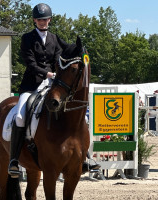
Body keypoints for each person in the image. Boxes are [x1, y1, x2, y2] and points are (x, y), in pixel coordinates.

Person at [8, 3, 100, 177]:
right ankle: (14, 160)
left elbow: (61, 58)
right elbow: (30, 62)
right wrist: (47, 73)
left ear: (49, 20)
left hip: (54, 85)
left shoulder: (55, 38)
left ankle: (85, 157)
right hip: (32, 85)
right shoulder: (27, 38)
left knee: (78, 115)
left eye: (45, 19)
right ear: (35, 20)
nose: (43, 22)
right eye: (40, 20)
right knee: (20, 115)